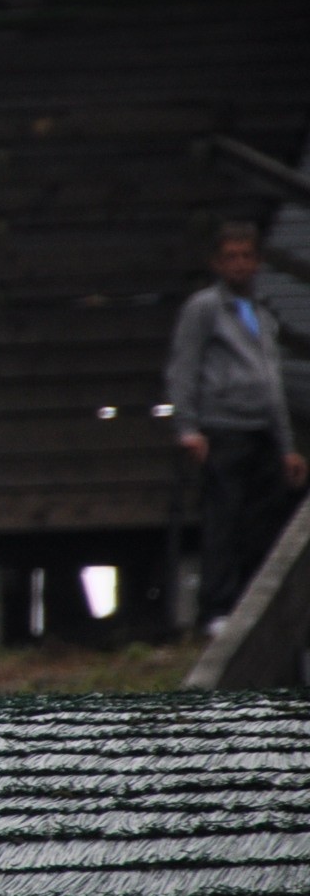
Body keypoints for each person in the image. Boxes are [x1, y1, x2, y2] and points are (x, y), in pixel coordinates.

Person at [166, 221, 307, 632]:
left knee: (261, 523)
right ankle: (217, 608)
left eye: (246, 256)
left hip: (263, 430)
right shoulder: (205, 308)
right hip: (224, 426)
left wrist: (287, 446)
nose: (239, 265)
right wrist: (187, 427)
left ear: (258, 262)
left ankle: (253, 607)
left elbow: (272, 381)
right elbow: (184, 367)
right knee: (223, 518)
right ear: (217, 263)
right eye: (231, 257)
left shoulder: (261, 313)